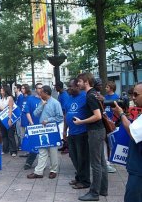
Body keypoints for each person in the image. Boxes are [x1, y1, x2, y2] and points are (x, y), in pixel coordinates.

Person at [75, 73, 108, 201]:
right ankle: (103, 190)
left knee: (96, 164)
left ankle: (94, 193)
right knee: (101, 162)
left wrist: (81, 122)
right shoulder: (94, 93)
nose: (78, 84)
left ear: (86, 82)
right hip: (99, 130)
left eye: (79, 81)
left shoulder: (90, 96)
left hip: (95, 131)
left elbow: (98, 116)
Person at [113, 82, 142, 202]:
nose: (133, 97)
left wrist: (121, 114)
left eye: (136, 94)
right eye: (132, 94)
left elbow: (132, 131)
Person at [27, 85, 63, 180]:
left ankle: (53, 170)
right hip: (42, 130)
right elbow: (35, 113)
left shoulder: (56, 103)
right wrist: (41, 106)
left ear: (46, 93)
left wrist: (49, 120)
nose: (39, 93)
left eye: (41, 92)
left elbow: (60, 117)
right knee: (42, 150)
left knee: (53, 151)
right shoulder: (41, 102)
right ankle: (38, 171)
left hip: (52, 131)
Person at [63, 78, 90, 189]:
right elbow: (66, 115)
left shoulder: (85, 97)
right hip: (72, 132)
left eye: (71, 86)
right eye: (68, 87)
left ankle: (85, 181)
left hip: (82, 133)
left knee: (82, 158)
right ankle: (78, 177)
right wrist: (64, 130)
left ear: (78, 86)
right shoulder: (69, 99)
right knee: (74, 157)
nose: (69, 89)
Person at [23, 83, 43, 170]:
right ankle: (29, 162)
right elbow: (27, 112)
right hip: (34, 125)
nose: (41, 90)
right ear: (35, 89)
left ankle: (42, 164)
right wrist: (31, 123)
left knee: (43, 146)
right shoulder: (30, 99)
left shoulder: (46, 99)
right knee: (33, 145)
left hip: (43, 126)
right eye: (39, 88)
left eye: (42, 88)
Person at [0, 85, 18, 157]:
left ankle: (13, 150)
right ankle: (5, 149)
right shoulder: (1, 98)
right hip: (2, 117)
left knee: (10, 135)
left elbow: (10, 108)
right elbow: (1, 107)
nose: (1, 90)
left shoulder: (10, 98)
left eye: (2, 89)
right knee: (4, 134)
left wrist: (10, 119)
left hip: (8, 117)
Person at [55, 81, 70, 154]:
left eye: (56, 86)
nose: (55, 88)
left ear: (59, 87)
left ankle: (67, 147)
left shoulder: (64, 95)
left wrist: (64, 117)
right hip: (61, 115)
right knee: (61, 132)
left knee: (64, 132)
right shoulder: (60, 94)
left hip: (64, 115)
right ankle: (65, 145)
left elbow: (65, 107)